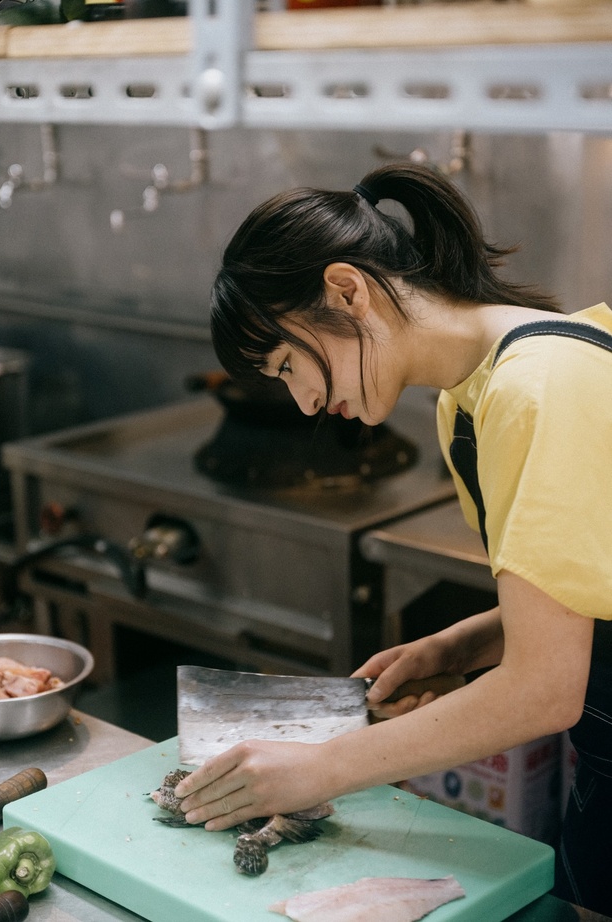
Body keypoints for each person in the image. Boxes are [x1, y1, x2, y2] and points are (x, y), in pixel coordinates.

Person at [175, 163, 612, 916]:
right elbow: (586, 592)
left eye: (287, 364)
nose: (304, 400)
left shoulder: (537, 385)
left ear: (348, 291)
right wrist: (463, 646)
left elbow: (544, 690)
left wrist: (321, 769)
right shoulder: (466, 400)